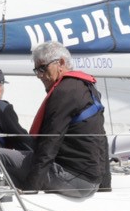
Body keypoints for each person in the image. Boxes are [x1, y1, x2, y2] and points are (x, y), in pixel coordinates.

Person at [21, 42, 111, 197]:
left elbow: (49, 143)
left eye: (43, 68)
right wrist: (105, 188)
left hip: (74, 179)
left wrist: (30, 189)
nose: (39, 75)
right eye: (36, 70)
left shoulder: (64, 92)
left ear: (61, 63)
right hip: (92, 180)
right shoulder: (87, 87)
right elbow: (102, 139)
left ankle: (5, 202)